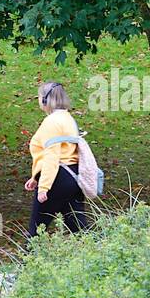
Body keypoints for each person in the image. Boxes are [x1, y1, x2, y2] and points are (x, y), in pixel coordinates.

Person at [25, 80, 87, 237]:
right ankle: (99, 258)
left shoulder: (51, 122)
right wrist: (35, 177)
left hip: (56, 179)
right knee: (79, 230)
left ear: (45, 100)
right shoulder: (68, 119)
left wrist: (44, 187)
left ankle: (29, 261)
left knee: (37, 230)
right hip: (73, 178)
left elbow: (52, 156)